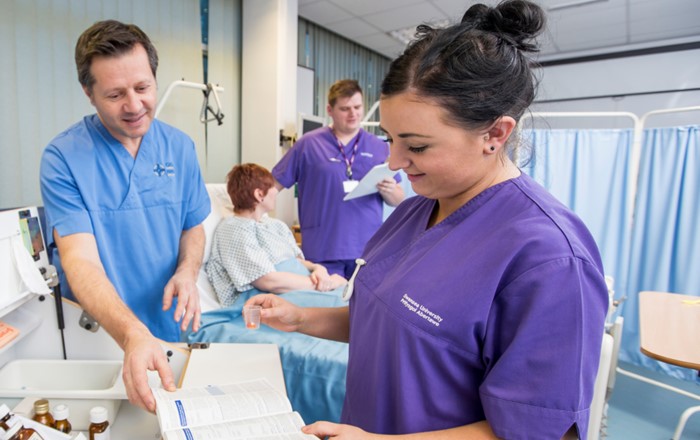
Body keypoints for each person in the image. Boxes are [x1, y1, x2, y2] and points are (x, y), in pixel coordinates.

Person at [246, 1, 609, 438]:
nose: (395, 161)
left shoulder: (549, 259)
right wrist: (301, 318)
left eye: (416, 147)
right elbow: (385, 323)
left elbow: (542, 431)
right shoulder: (418, 207)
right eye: (391, 139)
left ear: (495, 134)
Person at [39, 20, 210, 412]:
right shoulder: (63, 158)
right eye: (115, 94)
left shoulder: (179, 147)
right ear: (89, 93)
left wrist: (187, 271)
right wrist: (132, 333)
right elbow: (78, 260)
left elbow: (192, 226)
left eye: (143, 88)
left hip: (170, 329)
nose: (134, 106)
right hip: (103, 335)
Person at [272, 79, 405, 279]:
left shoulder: (378, 147)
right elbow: (272, 186)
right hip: (322, 249)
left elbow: (399, 199)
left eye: (358, 107)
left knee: (360, 307)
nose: (353, 114)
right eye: (345, 108)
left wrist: (390, 190)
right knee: (324, 306)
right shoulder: (308, 144)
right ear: (330, 110)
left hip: (365, 249)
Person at [206, 163, 347, 307]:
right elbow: (268, 282)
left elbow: (297, 262)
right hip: (266, 297)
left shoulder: (276, 225)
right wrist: (325, 285)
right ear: (259, 194)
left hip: (298, 288)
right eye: (272, 187)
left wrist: (319, 269)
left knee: (351, 295)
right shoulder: (233, 229)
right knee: (345, 306)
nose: (275, 191)